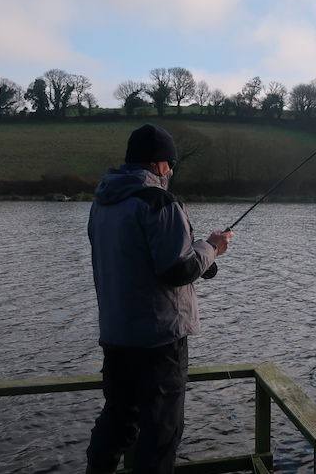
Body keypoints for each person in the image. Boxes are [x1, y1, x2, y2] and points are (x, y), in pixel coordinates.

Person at [85, 123, 233, 474]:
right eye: (171, 164)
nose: (171, 172)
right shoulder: (158, 201)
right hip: (159, 340)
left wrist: (202, 255)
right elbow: (177, 270)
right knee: (162, 432)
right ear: (157, 164)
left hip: (117, 335)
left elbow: (142, 260)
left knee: (118, 422)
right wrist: (213, 247)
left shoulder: (102, 203)